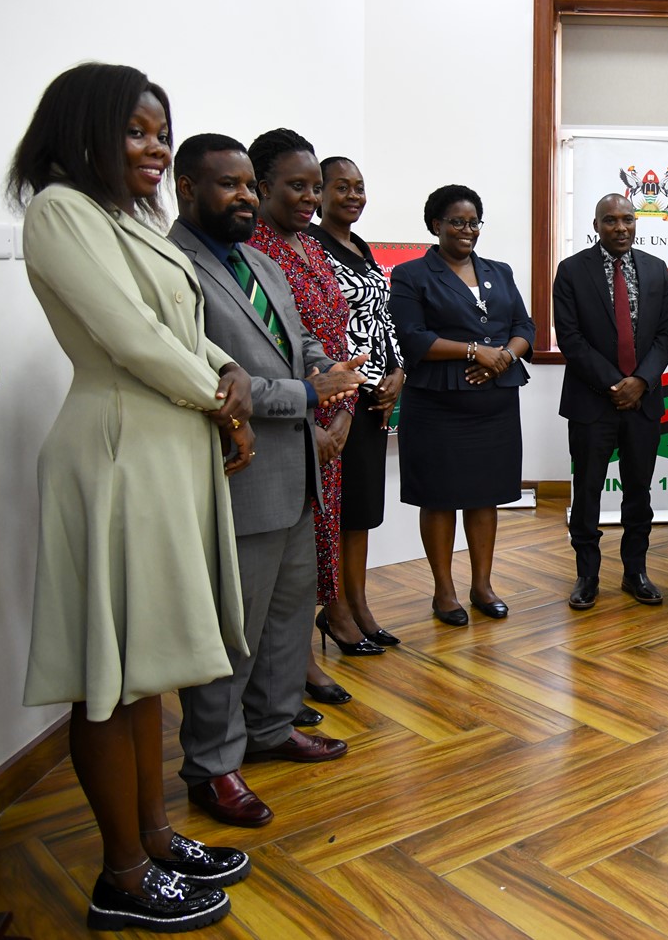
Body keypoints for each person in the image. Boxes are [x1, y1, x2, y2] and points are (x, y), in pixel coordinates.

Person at [12, 63, 246, 932]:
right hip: (116, 450)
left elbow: (182, 332)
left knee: (146, 665)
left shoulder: (126, 219)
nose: (155, 148)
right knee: (107, 678)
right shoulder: (59, 210)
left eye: (161, 132)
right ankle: (119, 873)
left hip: (167, 444)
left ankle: (153, 834)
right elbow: (127, 335)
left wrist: (225, 373)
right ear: (83, 130)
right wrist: (220, 390)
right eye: (137, 131)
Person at [169, 133, 362, 827]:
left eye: (251, 184)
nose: (246, 196)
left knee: (286, 615)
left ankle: (273, 726)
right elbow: (223, 384)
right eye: (230, 185)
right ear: (187, 189)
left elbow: (298, 341)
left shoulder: (262, 260)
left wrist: (330, 371)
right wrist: (309, 395)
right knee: (233, 626)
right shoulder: (174, 268)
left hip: (298, 471)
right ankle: (213, 763)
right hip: (237, 475)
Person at [245, 128, 378, 724]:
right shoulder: (256, 250)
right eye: (297, 186)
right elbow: (263, 352)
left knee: (314, 548)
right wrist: (313, 420)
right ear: (262, 185)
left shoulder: (311, 248)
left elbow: (335, 334)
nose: (309, 196)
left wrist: (346, 405)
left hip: (334, 411)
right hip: (290, 421)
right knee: (286, 559)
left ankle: (299, 659)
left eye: (313, 186)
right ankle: (288, 671)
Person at [390, 184, 535, 625]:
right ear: (436, 224)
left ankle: (482, 585)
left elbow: (523, 324)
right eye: (457, 221)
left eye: (474, 222)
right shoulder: (411, 275)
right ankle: (444, 592)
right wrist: (474, 352)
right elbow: (411, 336)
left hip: (495, 401)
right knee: (439, 498)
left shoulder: (500, 270)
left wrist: (504, 356)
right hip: (438, 404)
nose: (467, 230)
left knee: (485, 496)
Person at [553, 193, 668, 608]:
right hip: (592, 402)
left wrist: (640, 381)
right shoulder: (571, 271)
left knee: (638, 493)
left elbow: (664, 336)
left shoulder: (657, 270)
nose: (620, 227)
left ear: (636, 222)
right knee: (587, 492)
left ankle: (635, 572)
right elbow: (570, 338)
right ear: (596, 225)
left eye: (627, 219)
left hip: (642, 402)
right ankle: (587, 576)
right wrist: (615, 384)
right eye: (610, 220)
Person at [310, 155, 404, 649]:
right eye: (341, 187)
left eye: (360, 187)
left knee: (363, 507)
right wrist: (356, 384)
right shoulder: (311, 247)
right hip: (339, 397)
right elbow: (325, 328)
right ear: (319, 193)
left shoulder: (361, 247)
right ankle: (337, 609)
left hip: (377, 396)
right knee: (337, 511)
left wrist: (398, 374)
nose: (353, 196)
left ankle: (360, 604)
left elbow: (384, 321)